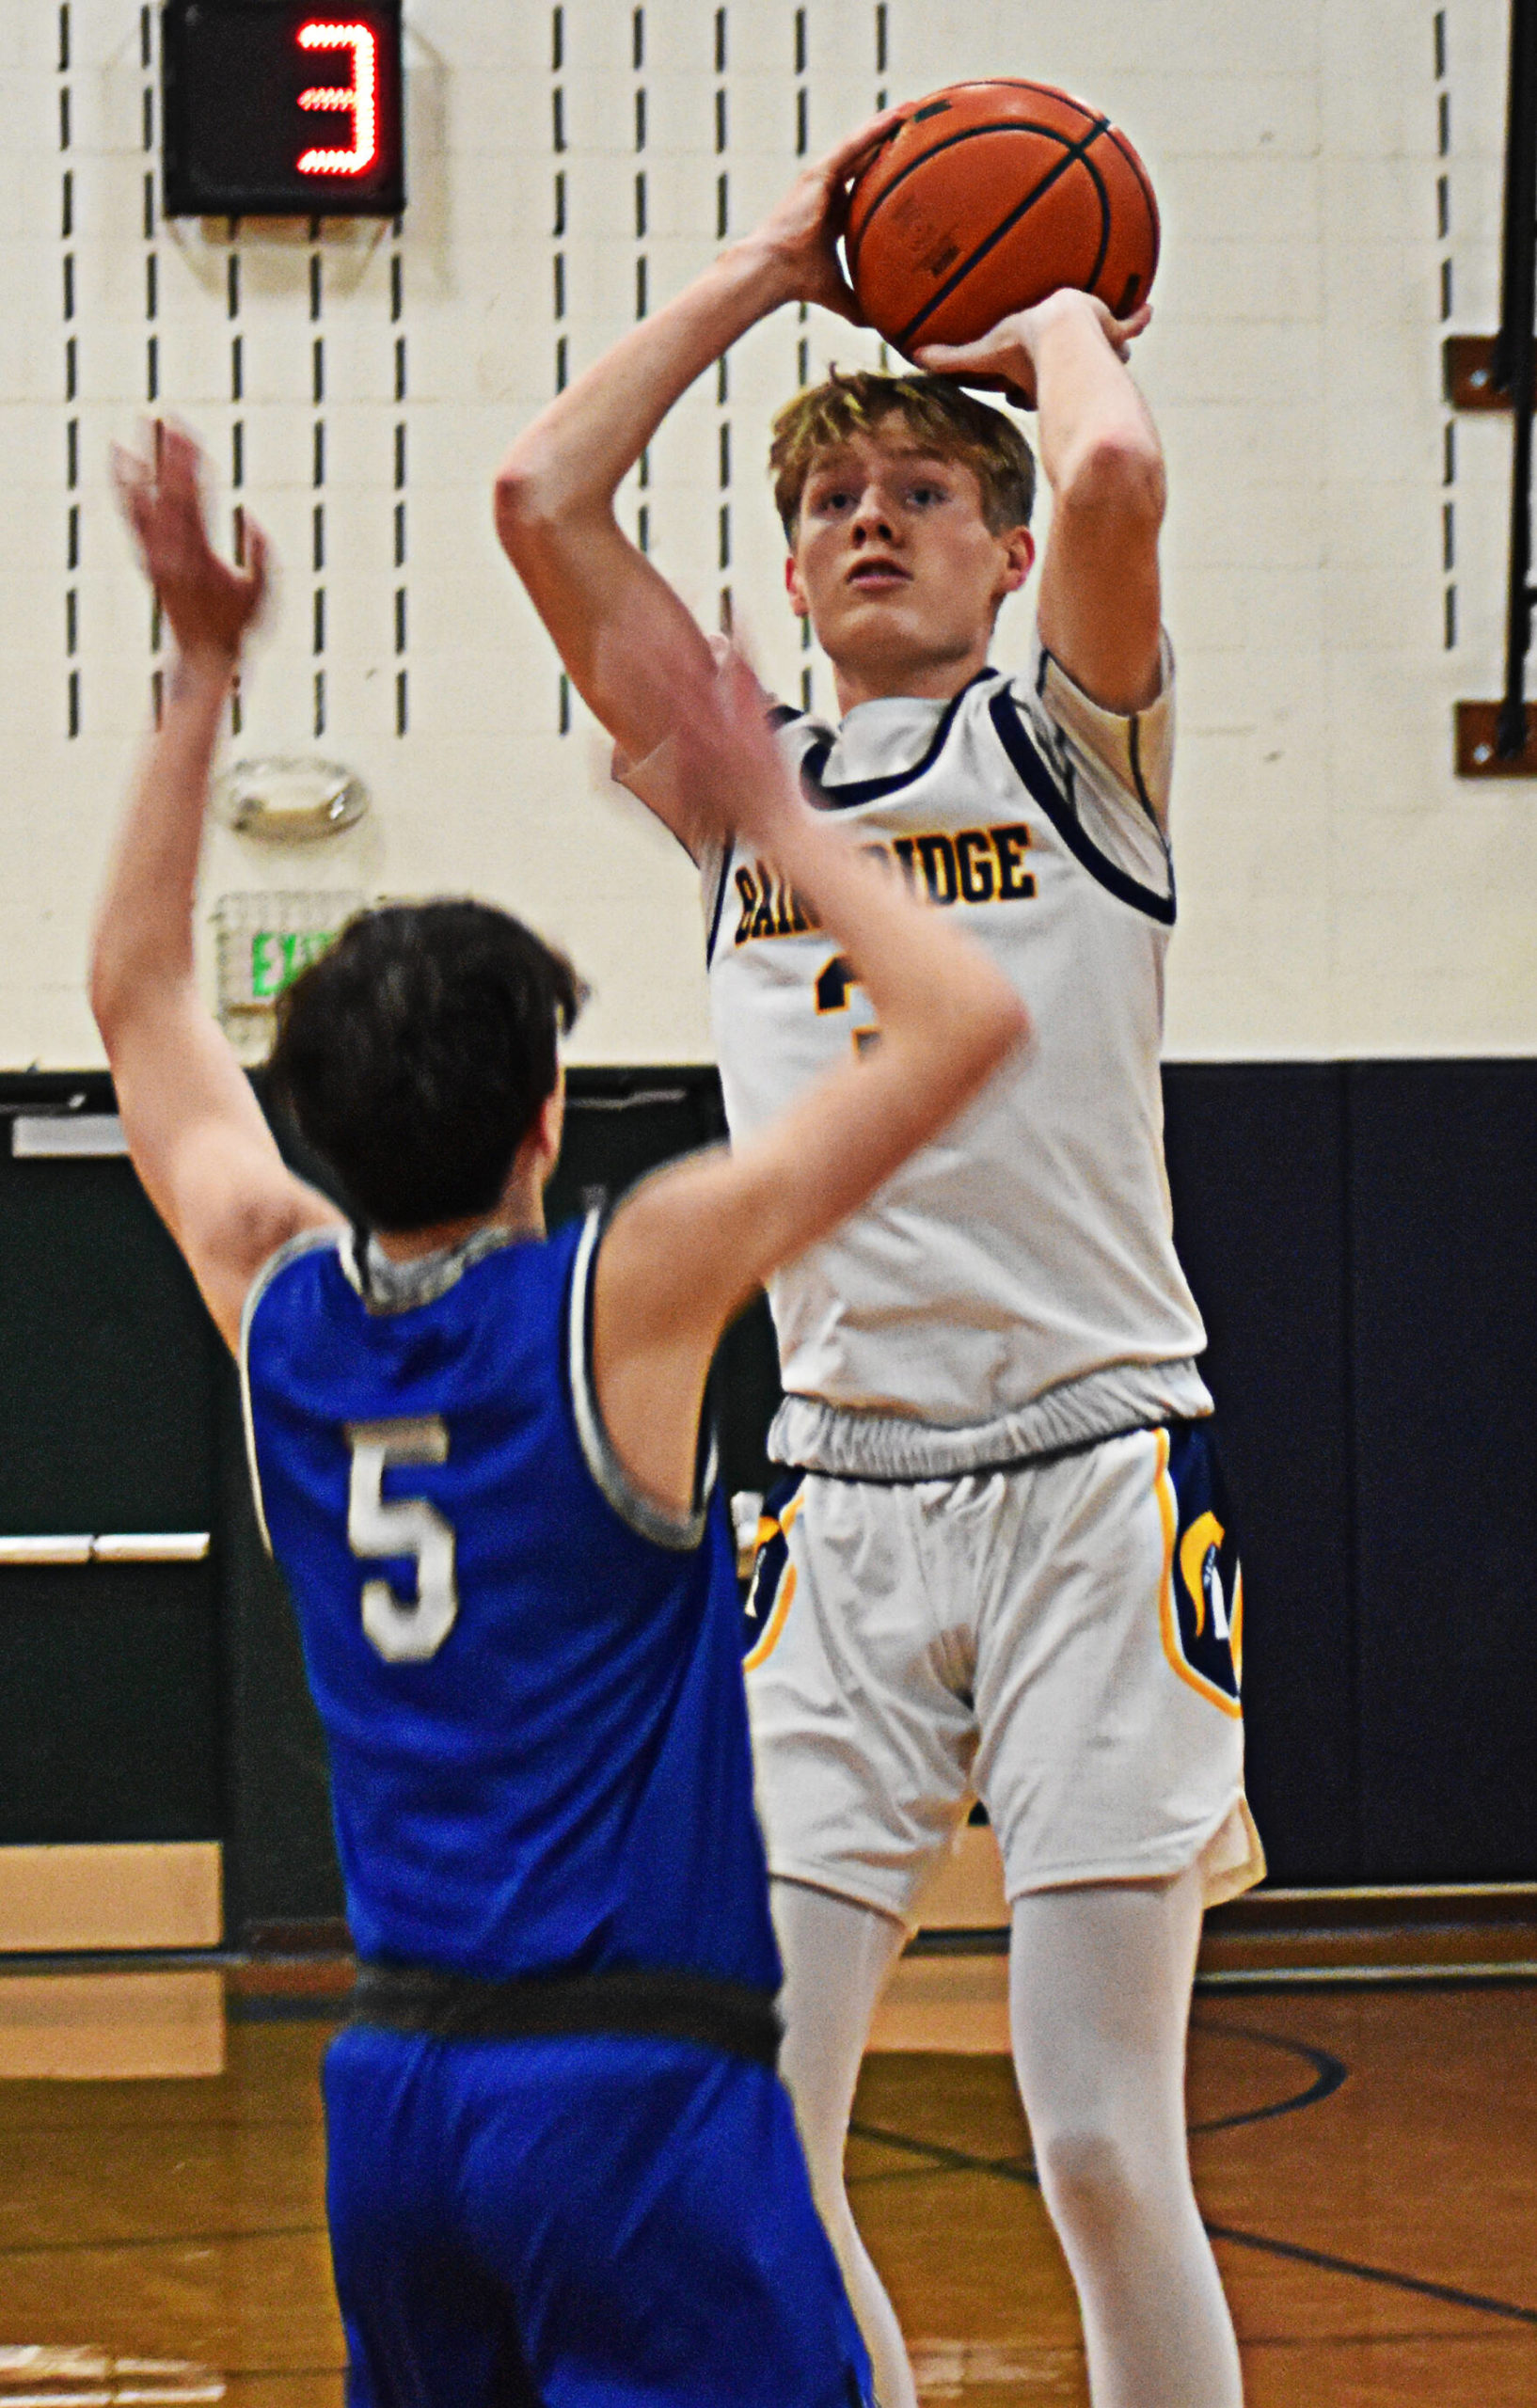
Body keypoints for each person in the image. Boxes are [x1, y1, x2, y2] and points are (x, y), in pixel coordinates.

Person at [90, 424, 1027, 2408]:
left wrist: (195, 680)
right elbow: (969, 1021)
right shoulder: (622, 1296)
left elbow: (137, 996)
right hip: (626, 2098)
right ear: (546, 1119)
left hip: (393, 2094)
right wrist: (771, 793)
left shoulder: (280, 1305)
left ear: (319, 1130)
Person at [495, 109, 1263, 2408]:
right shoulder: (741, 775)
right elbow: (542, 502)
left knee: (1103, 2139)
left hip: (1089, 1469)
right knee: (754, 2126)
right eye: (830, 498)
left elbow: (1116, 482)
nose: (863, 519)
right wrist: (768, 262)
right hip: (832, 1496)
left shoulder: (1073, 749)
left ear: (1003, 547)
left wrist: (1037, 321)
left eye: (920, 492)